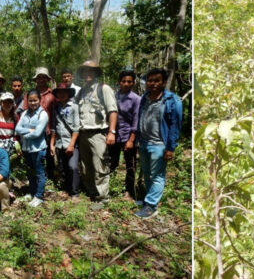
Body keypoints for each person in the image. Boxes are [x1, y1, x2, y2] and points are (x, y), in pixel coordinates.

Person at [134, 68, 182, 218]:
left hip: (159, 144)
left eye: (157, 81)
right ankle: (149, 200)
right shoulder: (145, 98)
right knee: (147, 174)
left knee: (157, 176)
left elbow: (175, 125)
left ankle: (151, 206)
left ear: (163, 82)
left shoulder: (172, 100)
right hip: (144, 142)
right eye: (150, 80)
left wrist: (170, 148)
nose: (153, 83)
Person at [75, 61, 118, 201]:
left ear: (95, 73)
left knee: (100, 166)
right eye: (85, 71)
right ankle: (92, 192)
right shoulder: (81, 91)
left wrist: (112, 132)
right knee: (85, 166)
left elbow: (112, 110)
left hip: (98, 133)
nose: (87, 74)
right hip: (83, 134)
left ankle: (103, 197)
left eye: (90, 71)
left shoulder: (104, 89)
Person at [109, 70, 142, 204]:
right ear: (119, 82)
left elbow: (136, 120)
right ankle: (110, 187)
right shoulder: (114, 97)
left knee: (130, 165)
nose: (126, 84)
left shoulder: (136, 99)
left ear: (133, 83)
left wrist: (131, 140)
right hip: (115, 136)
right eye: (124, 81)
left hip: (128, 136)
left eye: (129, 81)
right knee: (112, 162)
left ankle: (129, 190)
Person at [16, 90, 49, 207]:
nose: (33, 102)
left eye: (35, 100)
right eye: (30, 100)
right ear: (27, 101)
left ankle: (39, 196)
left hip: (38, 149)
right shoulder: (24, 113)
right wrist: (30, 131)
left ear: (40, 100)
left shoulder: (43, 114)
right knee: (30, 172)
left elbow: (38, 133)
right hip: (26, 149)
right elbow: (17, 128)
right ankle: (32, 192)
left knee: (39, 173)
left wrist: (25, 134)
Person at [23, 67, 56, 183]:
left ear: (47, 79)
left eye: (43, 77)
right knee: (33, 155)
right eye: (39, 77)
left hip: (47, 130)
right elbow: (25, 111)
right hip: (32, 130)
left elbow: (54, 114)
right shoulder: (29, 94)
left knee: (49, 156)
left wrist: (53, 131)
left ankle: (50, 179)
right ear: (35, 79)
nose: (41, 80)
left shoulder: (52, 95)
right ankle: (34, 178)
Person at [50, 83, 81, 198]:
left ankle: (75, 193)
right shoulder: (56, 108)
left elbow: (77, 128)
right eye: (59, 92)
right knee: (63, 168)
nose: (62, 95)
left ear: (69, 93)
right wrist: (52, 144)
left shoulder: (74, 107)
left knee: (73, 167)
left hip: (70, 143)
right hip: (59, 144)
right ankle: (67, 189)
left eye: (64, 92)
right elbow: (54, 127)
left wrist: (72, 145)